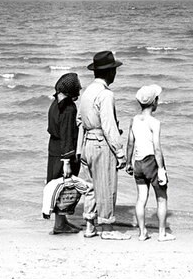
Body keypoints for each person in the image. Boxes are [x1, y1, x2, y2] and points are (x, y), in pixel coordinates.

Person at [77, 51, 131, 240]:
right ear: (109, 73)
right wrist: (120, 152)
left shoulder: (87, 92)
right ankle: (107, 228)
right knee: (107, 185)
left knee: (90, 187)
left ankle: (90, 225)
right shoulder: (106, 94)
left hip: (87, 143)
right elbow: (109, 127)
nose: (115, 74)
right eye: (114, 70)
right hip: (101, 143)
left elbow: (79, 120)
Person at [125, 84, 176, 242]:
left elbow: (130, 143)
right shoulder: (155, 122)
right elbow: (157, 148)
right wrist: (161, 169)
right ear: (154, 102)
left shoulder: (134, 120)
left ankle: (142, 232)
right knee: (161, 198)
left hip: (138, 162)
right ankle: (161, 233)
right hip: (152, 161)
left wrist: (128, 163)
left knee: (141, 198)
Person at [46, 72, 83, 234]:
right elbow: (67, 135)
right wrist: (67, 160)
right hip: (63, 152)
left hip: (54, 149)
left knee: (56, 184)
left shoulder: (55, 103)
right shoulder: (68, 108)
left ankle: (62, 222)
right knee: (64, 186)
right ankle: (60, 225)